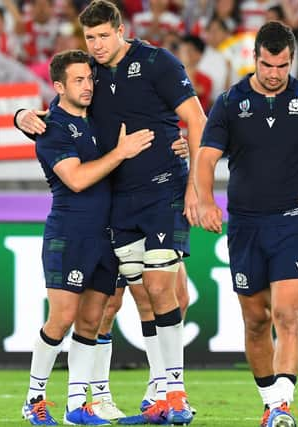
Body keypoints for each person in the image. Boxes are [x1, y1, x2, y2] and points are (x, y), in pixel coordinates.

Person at [16, 1, 207, 424]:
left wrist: (196, 181)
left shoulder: (157, 62)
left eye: (104, 35)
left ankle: (168, 389)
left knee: (161, 291)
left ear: (121, 29)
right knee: (113, 303)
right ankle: (87, 398)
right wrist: (21, 115)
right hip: (111, 207)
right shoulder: (89, 77)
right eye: (90, 37)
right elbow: (54, 115)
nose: (97, 46)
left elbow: (196, 119)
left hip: (161, 193)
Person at [195, 21, 298, 427]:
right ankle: (270, 402)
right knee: (256, 320)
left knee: (287, 314)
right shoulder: (230, 102)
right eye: (268, 65)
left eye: (282, 66)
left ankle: (282, 404)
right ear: (255, 58)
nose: (274, 74)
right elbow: (207, 157)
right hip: (245, 225)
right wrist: (205, 200)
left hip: (292, 222)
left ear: (291, 61)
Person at [21, 49, 155, 426]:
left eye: (89, 78)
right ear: (59, 86)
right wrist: (120, 152)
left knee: (92, 322)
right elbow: (77, 179)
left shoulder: (99, 119)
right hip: (70, 233)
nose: (87, 86)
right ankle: (34, 398)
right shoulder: (52, 128)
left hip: (105, 236)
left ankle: (77, 406)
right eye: (78, 80)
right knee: (61, 318)